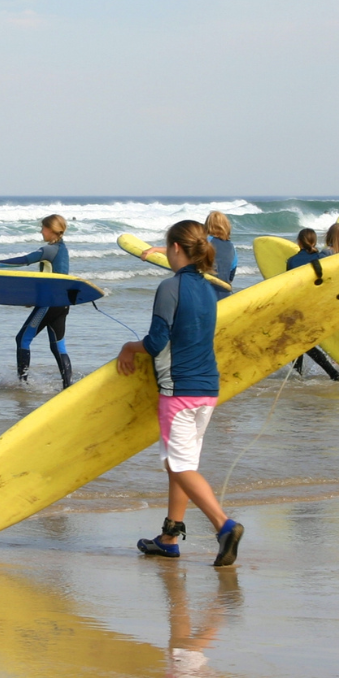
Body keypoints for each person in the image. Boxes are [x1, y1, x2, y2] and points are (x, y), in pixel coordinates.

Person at [118, 220, 243, 567]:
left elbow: (157, 342)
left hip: (179, 390)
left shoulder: (170, 287)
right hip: (207, 389)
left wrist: (128, 347)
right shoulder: (209, 289)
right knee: (182, 465)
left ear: (175, 248)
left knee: (179, 464)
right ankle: (169, 538)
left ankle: (224, 525)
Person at [0, 214, 74, 388]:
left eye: (43, 228)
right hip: (62, 303)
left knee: (22, 339)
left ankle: (22, 383)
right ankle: (67, 386)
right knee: (58, 346)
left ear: (51, 229)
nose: (41, 231)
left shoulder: (49, 250)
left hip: (49, 304)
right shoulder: (63, 250)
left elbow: (24, 260)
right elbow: (51, 278)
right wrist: (35, 298)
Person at [284, 229, 339, 380]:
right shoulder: (321, 257)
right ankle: (298, 374)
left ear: (299, 242)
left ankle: (332, 373)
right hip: (318, 305)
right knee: (299, 342)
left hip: (299, 306)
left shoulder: (292, 261)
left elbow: (289, 287)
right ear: (314, 242)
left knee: (301, 343)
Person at [204, 210, 238, 298]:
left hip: (205, 295)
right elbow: (230, 278)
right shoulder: (232, 247)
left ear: (207, 226)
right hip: (225, 296)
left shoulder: (206, 242)